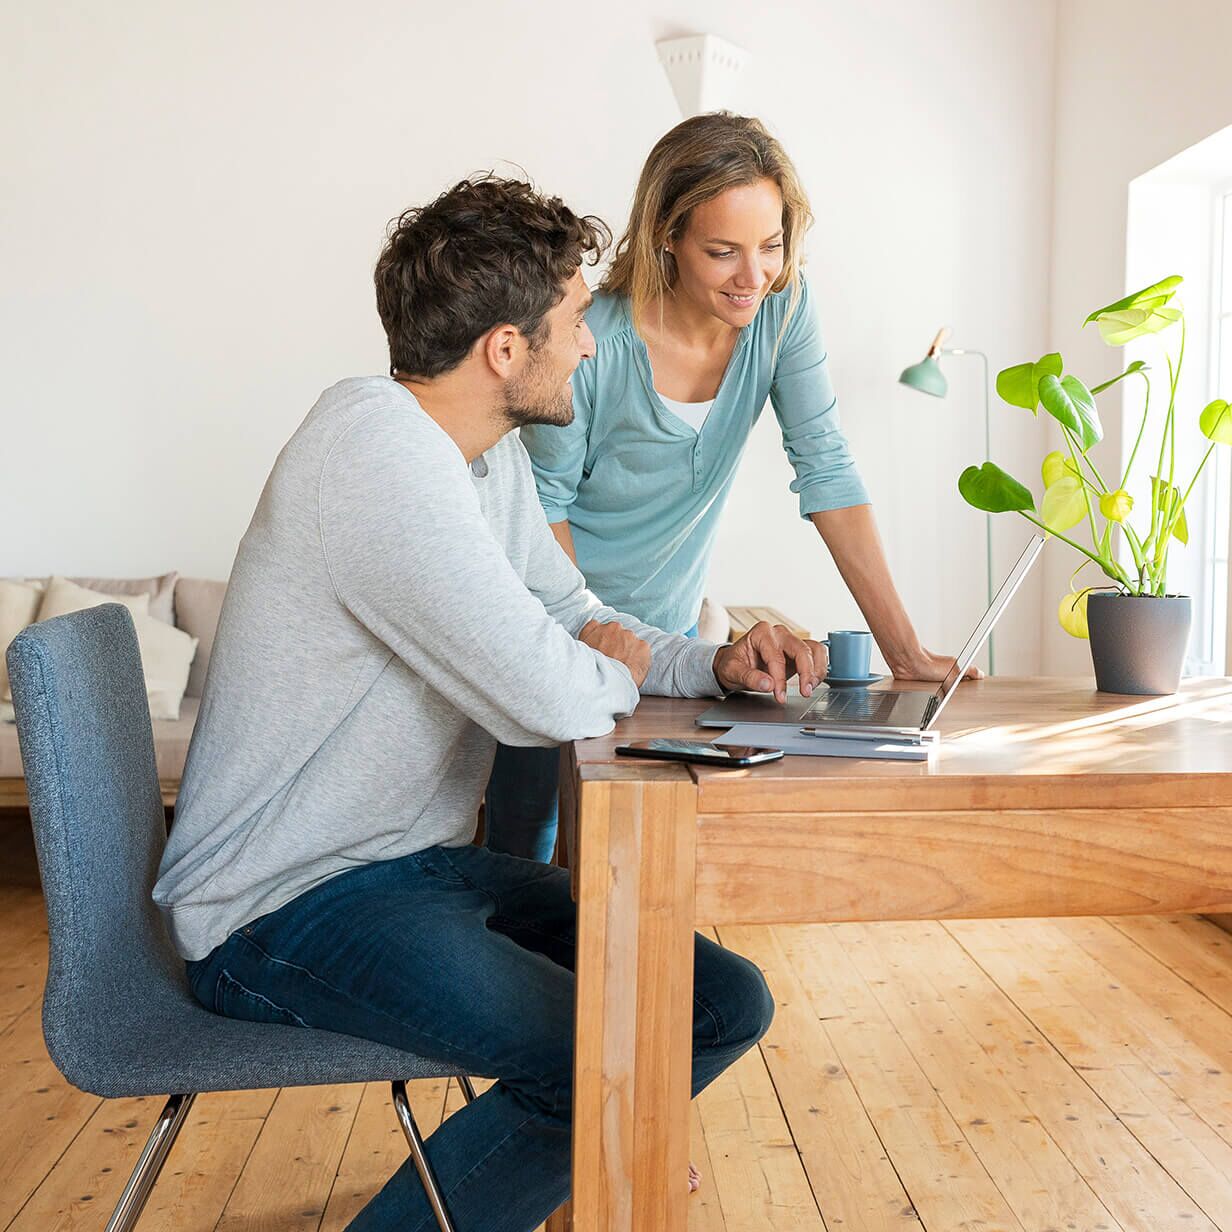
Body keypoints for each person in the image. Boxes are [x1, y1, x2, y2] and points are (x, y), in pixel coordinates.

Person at [153, 176, 825, 1232]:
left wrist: (712, 664)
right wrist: (592, 659)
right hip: (279, 906)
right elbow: (542, 694)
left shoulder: (481, 455)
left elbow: (573, 616)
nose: (591, 347)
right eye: (570, 324)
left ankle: (593, 1149)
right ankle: (593, 1146)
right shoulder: (373, 453)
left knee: (717, 1002)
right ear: (504, 350)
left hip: (405, 869)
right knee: (612, 1056)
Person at [486, 112, 970, 863]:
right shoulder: (591, 343)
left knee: (634, 860)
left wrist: (905, 653)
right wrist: (592, 642)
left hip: (674, 644)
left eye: (771, 246)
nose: (755, 277)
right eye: (723, 252)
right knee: (525, 851)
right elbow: (542, 508)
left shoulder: (783, 311)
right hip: (553, 627)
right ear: (667, 237)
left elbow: (827, 467)